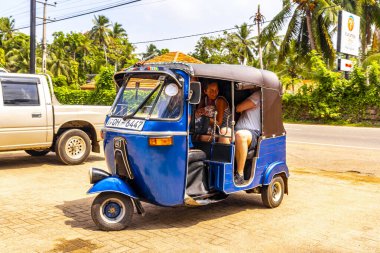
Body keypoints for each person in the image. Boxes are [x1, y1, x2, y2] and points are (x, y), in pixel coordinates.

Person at [234, 90, 261, 185]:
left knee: (240, 135)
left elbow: (239, 108)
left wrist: (238, 105)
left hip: (252, 132)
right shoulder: (251, 95)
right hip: (237, 129)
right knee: (224, 133)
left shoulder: (257, 94)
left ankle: (240, 174)